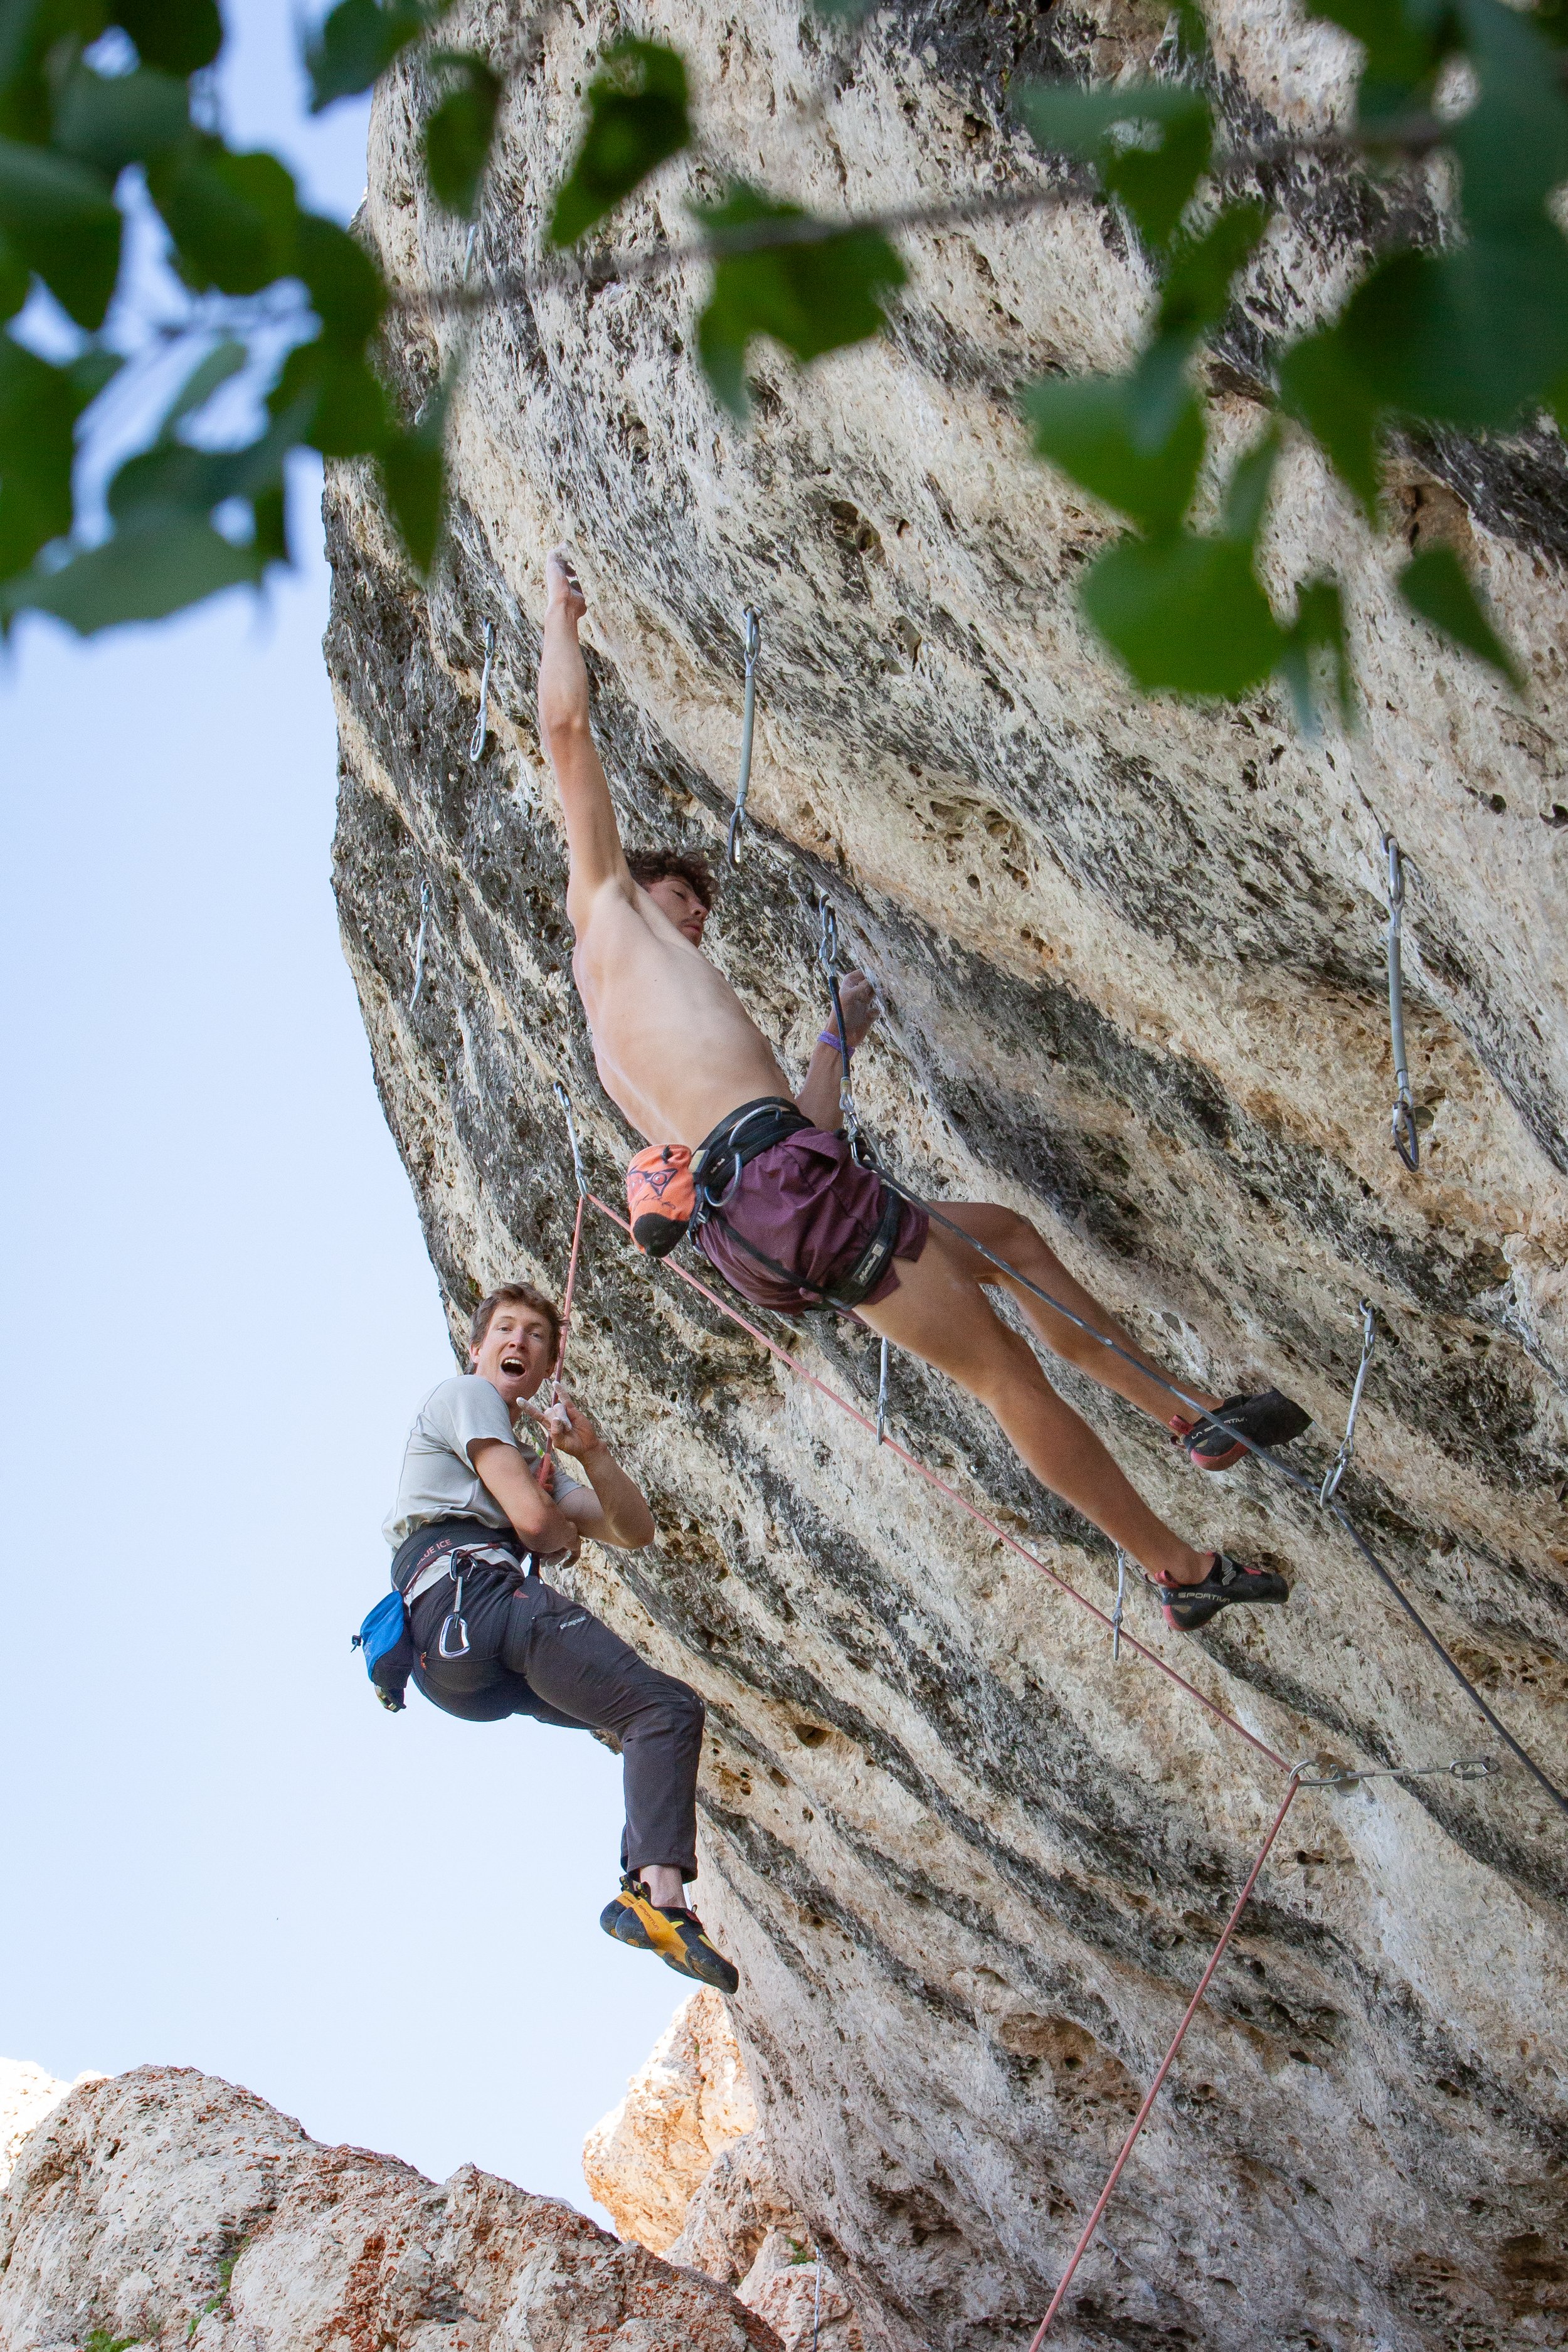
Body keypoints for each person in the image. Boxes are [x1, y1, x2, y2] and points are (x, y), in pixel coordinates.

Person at [537, 548, 1313, 1636]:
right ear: (634, 884)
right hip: (787, 1201)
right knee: (1003, 1378)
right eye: (686, 897)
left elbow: (803, 1134)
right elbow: (567, 737)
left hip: (782, 1190)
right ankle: (1179, 1569)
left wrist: (837, 1038)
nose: (699, 916)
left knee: (1012, 1243)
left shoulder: (643, 1045)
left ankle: (1192, 1419)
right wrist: (555, 617)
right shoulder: (607, 913)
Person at [384, 1278, 739, 1991]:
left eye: (537, 1338)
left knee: (645, 1717)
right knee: (660, 1710)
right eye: (506, 1330)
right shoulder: (466, 1396)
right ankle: (655, 1897)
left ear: (548, 1370)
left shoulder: (529, 1461)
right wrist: (551, 1538)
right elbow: (539, 1525)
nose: (519, 1342)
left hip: (452, 1666)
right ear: (476, 1348)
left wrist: (592, 1452)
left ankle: (654, 1898)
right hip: (472, 1598)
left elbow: (633, 1531)